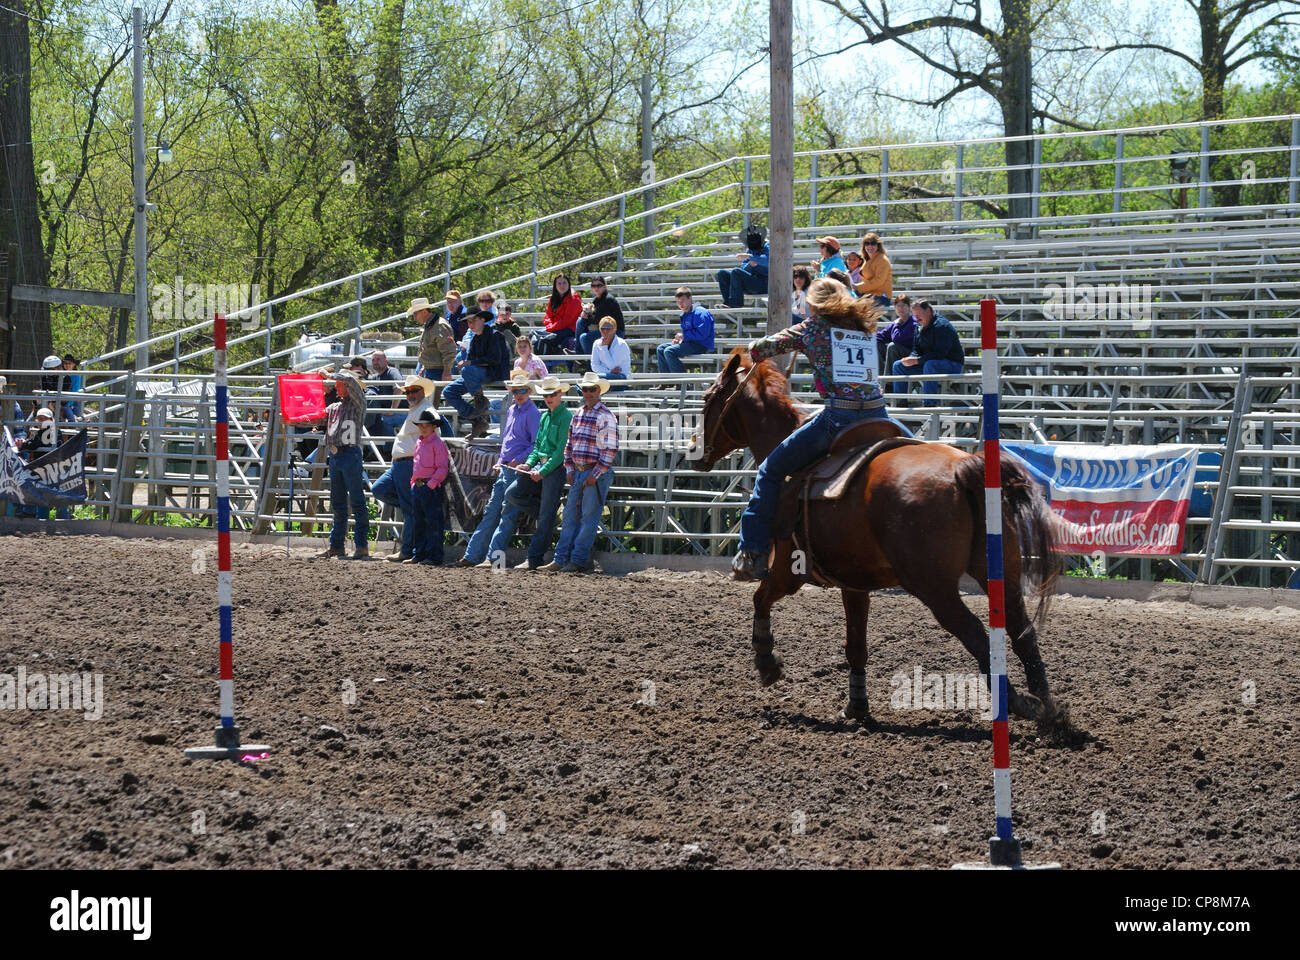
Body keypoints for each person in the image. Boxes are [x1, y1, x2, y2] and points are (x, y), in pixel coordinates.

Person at [732, 278, 913, 581]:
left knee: (771, 471)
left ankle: (752, 550)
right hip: (878, 413)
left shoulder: (812, 328)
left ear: (813, 304)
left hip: (839, 417)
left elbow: (763, 348)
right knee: (915, 446)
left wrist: (751, 347)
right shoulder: (862, 325)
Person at [458, 371, 541, 567]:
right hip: (506, 468)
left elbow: (535, 444)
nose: (518, 393)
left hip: (517, 469)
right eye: (515, 390)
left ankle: (491, 559)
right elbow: (508, 440)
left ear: (528, 391)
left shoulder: (532, 413)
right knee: (494, 512)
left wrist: (516, 460)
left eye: (522, 390)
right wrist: (502, 460)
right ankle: (474, 556)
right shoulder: (513, 409)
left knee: (506, 514)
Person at [539, 371, 618, 573]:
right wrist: (569, 467)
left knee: (586, 519)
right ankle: (563, 559)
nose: (589, 392)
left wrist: (596, 474)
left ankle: (576, 560)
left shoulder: (605, 415)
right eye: (585, 389)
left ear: (598, 390)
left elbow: (609, 450)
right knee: (570, 517)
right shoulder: (580, 413)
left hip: (593, 472)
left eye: (592, 389)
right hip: (581, 471)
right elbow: (569, 444)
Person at [501, 375, 572, 570]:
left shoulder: (566, 417)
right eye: (547, 394)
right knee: (512, 493)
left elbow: (560, 451)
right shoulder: (544, 416)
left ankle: (534, 559)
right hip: (542, 468)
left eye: (553, 394)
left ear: (560, 394)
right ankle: (546, 516)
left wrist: (541, 469)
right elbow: (537, 447)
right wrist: (529, 464)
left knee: (519, 497)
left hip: (554, 469)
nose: (549, 398)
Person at [371, 374, 436, 563]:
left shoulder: (426, 410)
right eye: (407, 391)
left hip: (410, 463)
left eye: (414, 390)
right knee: (380, 490)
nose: (410, 394)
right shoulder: (418, 409)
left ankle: (407, 549)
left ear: (422, 391)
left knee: (407, 506)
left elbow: (435, 434)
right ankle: (411, 536)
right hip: (401, 463)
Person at [317, 369, 371, 559]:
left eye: (340, 384)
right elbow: (317, 418)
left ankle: (360, 544)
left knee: (356, 500)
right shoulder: (334, 407)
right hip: (336, 456)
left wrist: (329, 374)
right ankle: (337, 544)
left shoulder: (358, 403)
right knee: (338, 502)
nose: (337, 386)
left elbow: (350, 380)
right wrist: (292, 418)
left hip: (349, 454)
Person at [444, 308, 511, 435]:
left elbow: (494, 360)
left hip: (493, 374)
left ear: (482, 320)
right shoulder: (475, 339)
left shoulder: (495, 335)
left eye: (473, 321)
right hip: (477, 375)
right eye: (468, 322)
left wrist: (468, 363)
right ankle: (477, 420)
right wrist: (467, 362)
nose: (471, 324)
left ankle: (480, 400)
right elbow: (471, 360)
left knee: (467, 369)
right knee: (449, 392)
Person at [890, 299, 964, 407]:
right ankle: (900, 403)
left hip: (952, 364)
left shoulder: (942, 326)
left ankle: (929, 405)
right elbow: (916, 350)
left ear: (928, 311)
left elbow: (940, 354)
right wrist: (911, 358)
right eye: (915, 315)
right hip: (928, 363)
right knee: (898, 365)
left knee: (931, 364)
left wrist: (917, 360)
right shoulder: (918, 326)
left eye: (919, 314)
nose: (917, 318)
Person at [407, 408, 450, 565]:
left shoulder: (437, 444)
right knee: (419, 521)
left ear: (434, 427)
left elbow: (442, 468)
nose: (423, 428)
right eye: (421, 425)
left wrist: (430, 484)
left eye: (427, 425)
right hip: (420, 485)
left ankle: (433, 555)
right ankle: (420, 553)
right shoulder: (420, 442)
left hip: (429, 486)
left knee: (432, 522)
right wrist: (414, 482)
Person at [656, 286, 714, 374]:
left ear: (690, 299)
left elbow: (703, 334)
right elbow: (688, 335)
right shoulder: (685, 314)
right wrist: (680, 340)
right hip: (690, 343)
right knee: (660, 348)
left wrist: (684, 336)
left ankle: (681, 381)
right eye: (678, 302)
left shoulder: (701, 313)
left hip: (701, 345)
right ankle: (666, 382)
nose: (680, 304)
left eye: (682, 301)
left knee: (669, 351)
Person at [532, 274, 582, 369]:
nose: (562, 285)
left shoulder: (574, 299)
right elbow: (548, 316)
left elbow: (567, 320)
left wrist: (551, 328)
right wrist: (550, 327)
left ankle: (544, 368)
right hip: (555, 328)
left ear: (569, 284)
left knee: (547, 339)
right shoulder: (553, 298)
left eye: (564, 283)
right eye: (559, 283)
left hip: (570, 329)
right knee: (535, 334)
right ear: (555, 285)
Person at [412, 296, 457, 402]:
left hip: (437, 371)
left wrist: (447, 370)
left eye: (415, 314)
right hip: (431, 370)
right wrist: (424, 367)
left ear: (423, 311)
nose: (414, 317)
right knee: (429, 407)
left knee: (430, 407)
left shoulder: (439, 325)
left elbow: (449, 350)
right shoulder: (431, 325)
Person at [716, 226, 769, 308]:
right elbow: (744, 267)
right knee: (722, 273)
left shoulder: (768, 247)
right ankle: (727, 302)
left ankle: (736, 304)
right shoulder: (750, 249)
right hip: (751, 281)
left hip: (765, 283)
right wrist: (751, 265)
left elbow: (768, 260)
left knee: (736, 271)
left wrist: (753, 260)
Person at [577, 277, 625, 354]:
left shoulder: (608, 299)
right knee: (579, 322)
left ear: (604, 286)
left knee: (584, 338)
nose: (596, 288)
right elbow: (595, 318)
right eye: (593, 286)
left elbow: (597, 320)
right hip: (604, 329)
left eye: (599, 285)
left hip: (615, 331)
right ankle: (578, 353)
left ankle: (590, 363)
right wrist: (585, 316)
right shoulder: (596, 300)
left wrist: (586, 316)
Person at [876, 294, 918, 377]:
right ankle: (880, 378)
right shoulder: (896, 323)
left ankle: (889, 382)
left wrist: (897, 324)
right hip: (898, 354)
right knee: (876, 344)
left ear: (909, 307)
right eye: (898, 306)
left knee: (892, 347)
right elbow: (880, 336)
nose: (900, 308)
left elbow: (898, 339)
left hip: (912, 355)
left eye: (903, 305)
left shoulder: (914, 322)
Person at [369, 350, 405, 437]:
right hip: (384, 413)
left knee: (384, 421)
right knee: (368, 421)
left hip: (402, 412)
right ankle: (375, 449)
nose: (375, 362)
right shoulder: (374, 378)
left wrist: (392, 410)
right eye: (373, 360)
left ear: (386, 361)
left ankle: (388, 450)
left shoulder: (392, 372)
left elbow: (399, 387)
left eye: (378, 359)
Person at [852, 233, 893, 309]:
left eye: (873, 243)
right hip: (869, 294)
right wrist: (855, 286)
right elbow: (866, 281)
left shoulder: (882, 259)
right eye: (867, 243)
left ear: (878, 245)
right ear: (864, 246)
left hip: (881, 297)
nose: (870, 246)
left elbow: (878, 282)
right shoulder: (867, 259)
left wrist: (858, 287)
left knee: (853, 306)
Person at [590, 317, 631, 388]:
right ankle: (578, 390)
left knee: (596, 379)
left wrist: (604, 348)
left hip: (621, 378)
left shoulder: (621, 344)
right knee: (593, 378)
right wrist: (609, 372)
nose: (605, 331)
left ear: (614, 330)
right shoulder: (596, 343)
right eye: (603, 328)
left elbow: (614, 366)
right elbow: (594, 365)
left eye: (608, 328)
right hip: (604, 377)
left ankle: (578, 391)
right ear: (599, 329)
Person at [0, 376, 26, 448]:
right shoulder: (14, 404)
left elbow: (18, 426)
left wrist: (19, 440)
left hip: (7, 440)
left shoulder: (14, 405)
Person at [59, 355, 84, 420]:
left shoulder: (76, 375)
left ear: (74, 364)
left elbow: (75, 391)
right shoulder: (60, 374)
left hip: (73, 400)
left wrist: (69, 403)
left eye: (69, 363)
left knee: (75, 415)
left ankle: (76, 425)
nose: (67, 365)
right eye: (65, 363)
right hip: (63, 399)